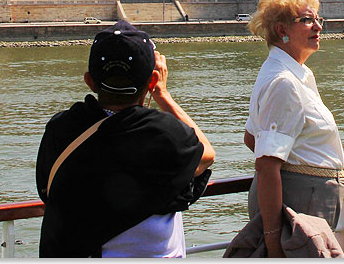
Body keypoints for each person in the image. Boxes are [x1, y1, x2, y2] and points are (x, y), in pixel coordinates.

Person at [36, 20, 215, 257]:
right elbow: (206, 154)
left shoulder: (60, 129)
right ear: (151, 80)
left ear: (89, 81)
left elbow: (46, 190)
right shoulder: (165, 134)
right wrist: (163, 95)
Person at [242, 0, 344, 258]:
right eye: (307, 20)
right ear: (282, 29)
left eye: (318, 19)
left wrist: (317, 157)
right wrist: (274, 244)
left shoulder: (292, 73)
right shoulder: (285, 82)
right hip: (299, 209)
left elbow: (252, 137)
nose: (318, 27)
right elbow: (265, 165)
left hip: (307, 201)